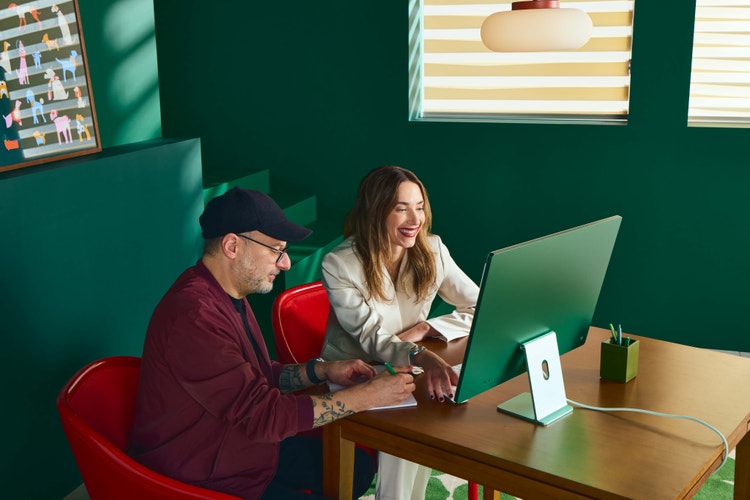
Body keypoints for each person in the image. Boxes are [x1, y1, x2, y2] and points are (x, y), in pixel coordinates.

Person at [127, 187, 416, 500]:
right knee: (342, 469)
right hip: (204, 474)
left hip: (240, 447)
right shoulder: (194, 316)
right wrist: (366, 396)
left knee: (357, 468)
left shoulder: (227, 293)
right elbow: (264, 415)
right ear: (232, 246)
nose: (286, 263)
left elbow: (257, 376)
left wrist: (322, 371)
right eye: (276, 250)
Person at [320, 165, 480, 500]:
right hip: (356, 371)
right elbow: (371, 337)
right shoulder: (340, 263)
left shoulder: (433, 250)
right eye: (401, 208)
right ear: (375, 212)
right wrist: (421, 355)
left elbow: (479, 304)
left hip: (408, 366)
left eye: (419, 207)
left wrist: (427, 327)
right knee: (410, 422)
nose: (415, 219)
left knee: (441, 404)